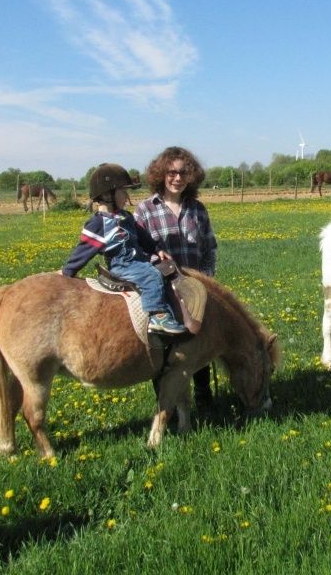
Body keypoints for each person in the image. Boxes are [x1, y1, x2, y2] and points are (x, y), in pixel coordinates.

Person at [134, 147, 218, 408]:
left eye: (183, 172)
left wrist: (204, 280)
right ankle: (166, 403)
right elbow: (137, 251)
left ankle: (204, 395)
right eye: (171, 172)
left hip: (194, 289)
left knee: (199, 340)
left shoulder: (198, 210)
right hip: (160, 290)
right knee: (163, 347)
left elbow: (210, 248)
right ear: (161, 174)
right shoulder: (145, 210)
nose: (177, 178)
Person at [62, 162, 186, 335]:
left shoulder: (125, 216)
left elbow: (142, 236)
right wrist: (67, 271)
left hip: (137, 260)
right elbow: (84, 250)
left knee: (163, 270)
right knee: (152, 275)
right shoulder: (99, 223)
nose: (126, 195)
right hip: (123, 264)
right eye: (123, 191)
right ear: (107, 194)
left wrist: (156, 249)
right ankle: (157, 315)